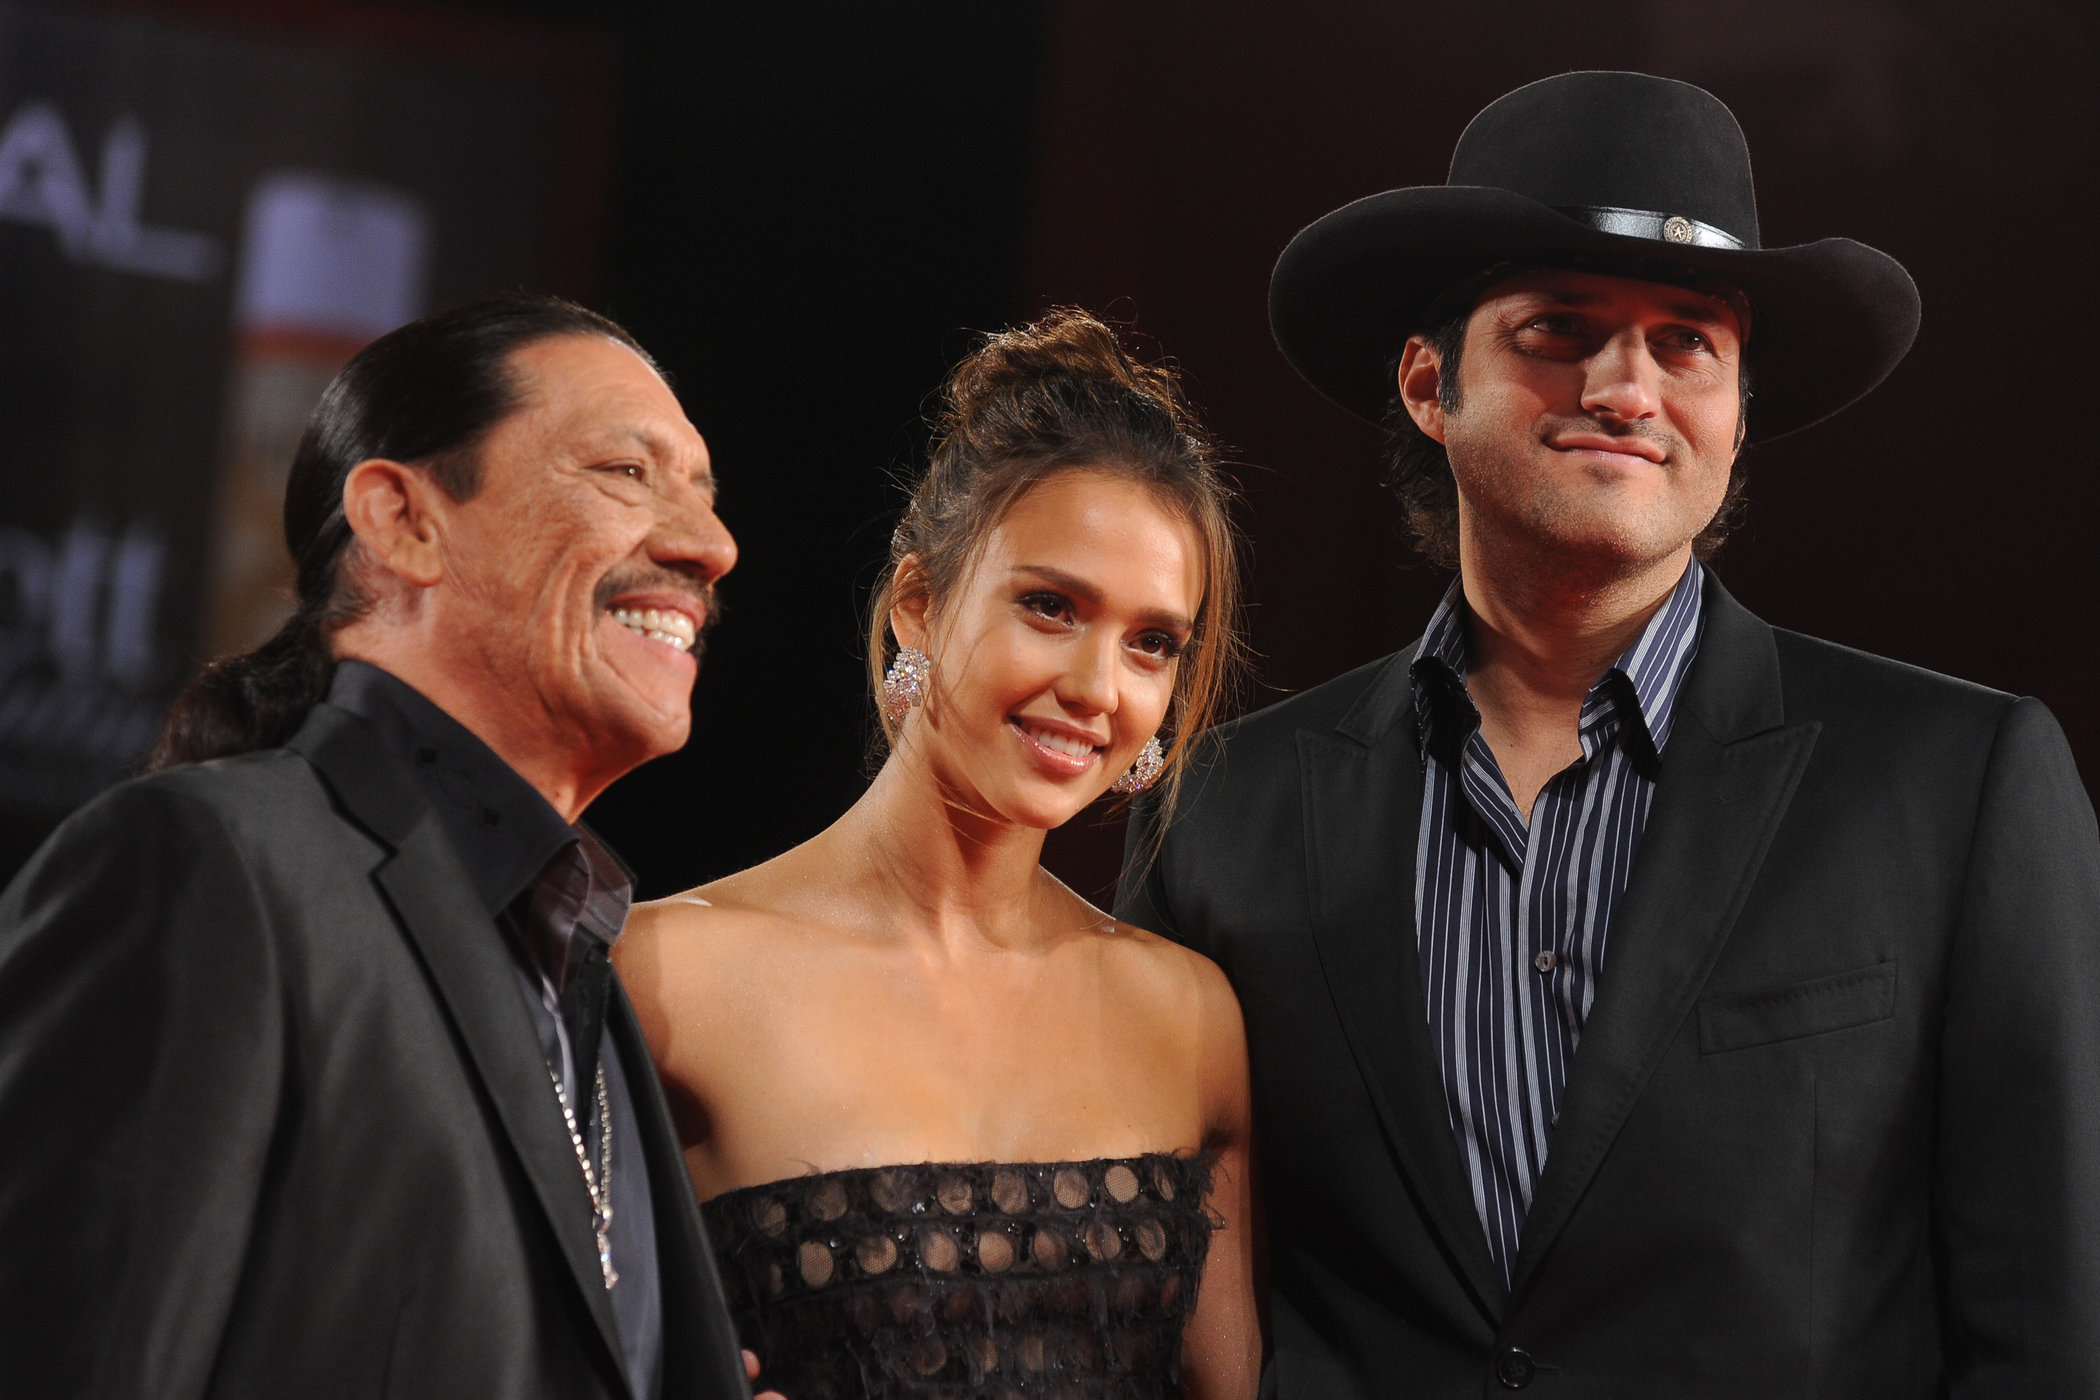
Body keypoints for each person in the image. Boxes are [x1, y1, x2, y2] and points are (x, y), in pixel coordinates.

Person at [1116, 71, 2100, 1396]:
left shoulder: (1959, 783)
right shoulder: (1220, 813)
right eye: (1558, 329)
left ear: (1739, 408)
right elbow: (1140, 1288)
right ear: (1426, 382)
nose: (1624, 387)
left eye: (1687, 341)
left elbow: (2045, 1322)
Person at [0, 294, 767, 1400]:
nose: (711, 544)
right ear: (404, 520)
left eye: (703, 491)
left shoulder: (584, 974)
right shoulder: (210, 869)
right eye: (626, 472)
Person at [615, 308, 1262, 1400]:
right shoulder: (664, 973)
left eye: (1152, 641)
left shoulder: (1187, 1016)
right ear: (919, 604)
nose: (1100, 688)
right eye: (1050, 607)